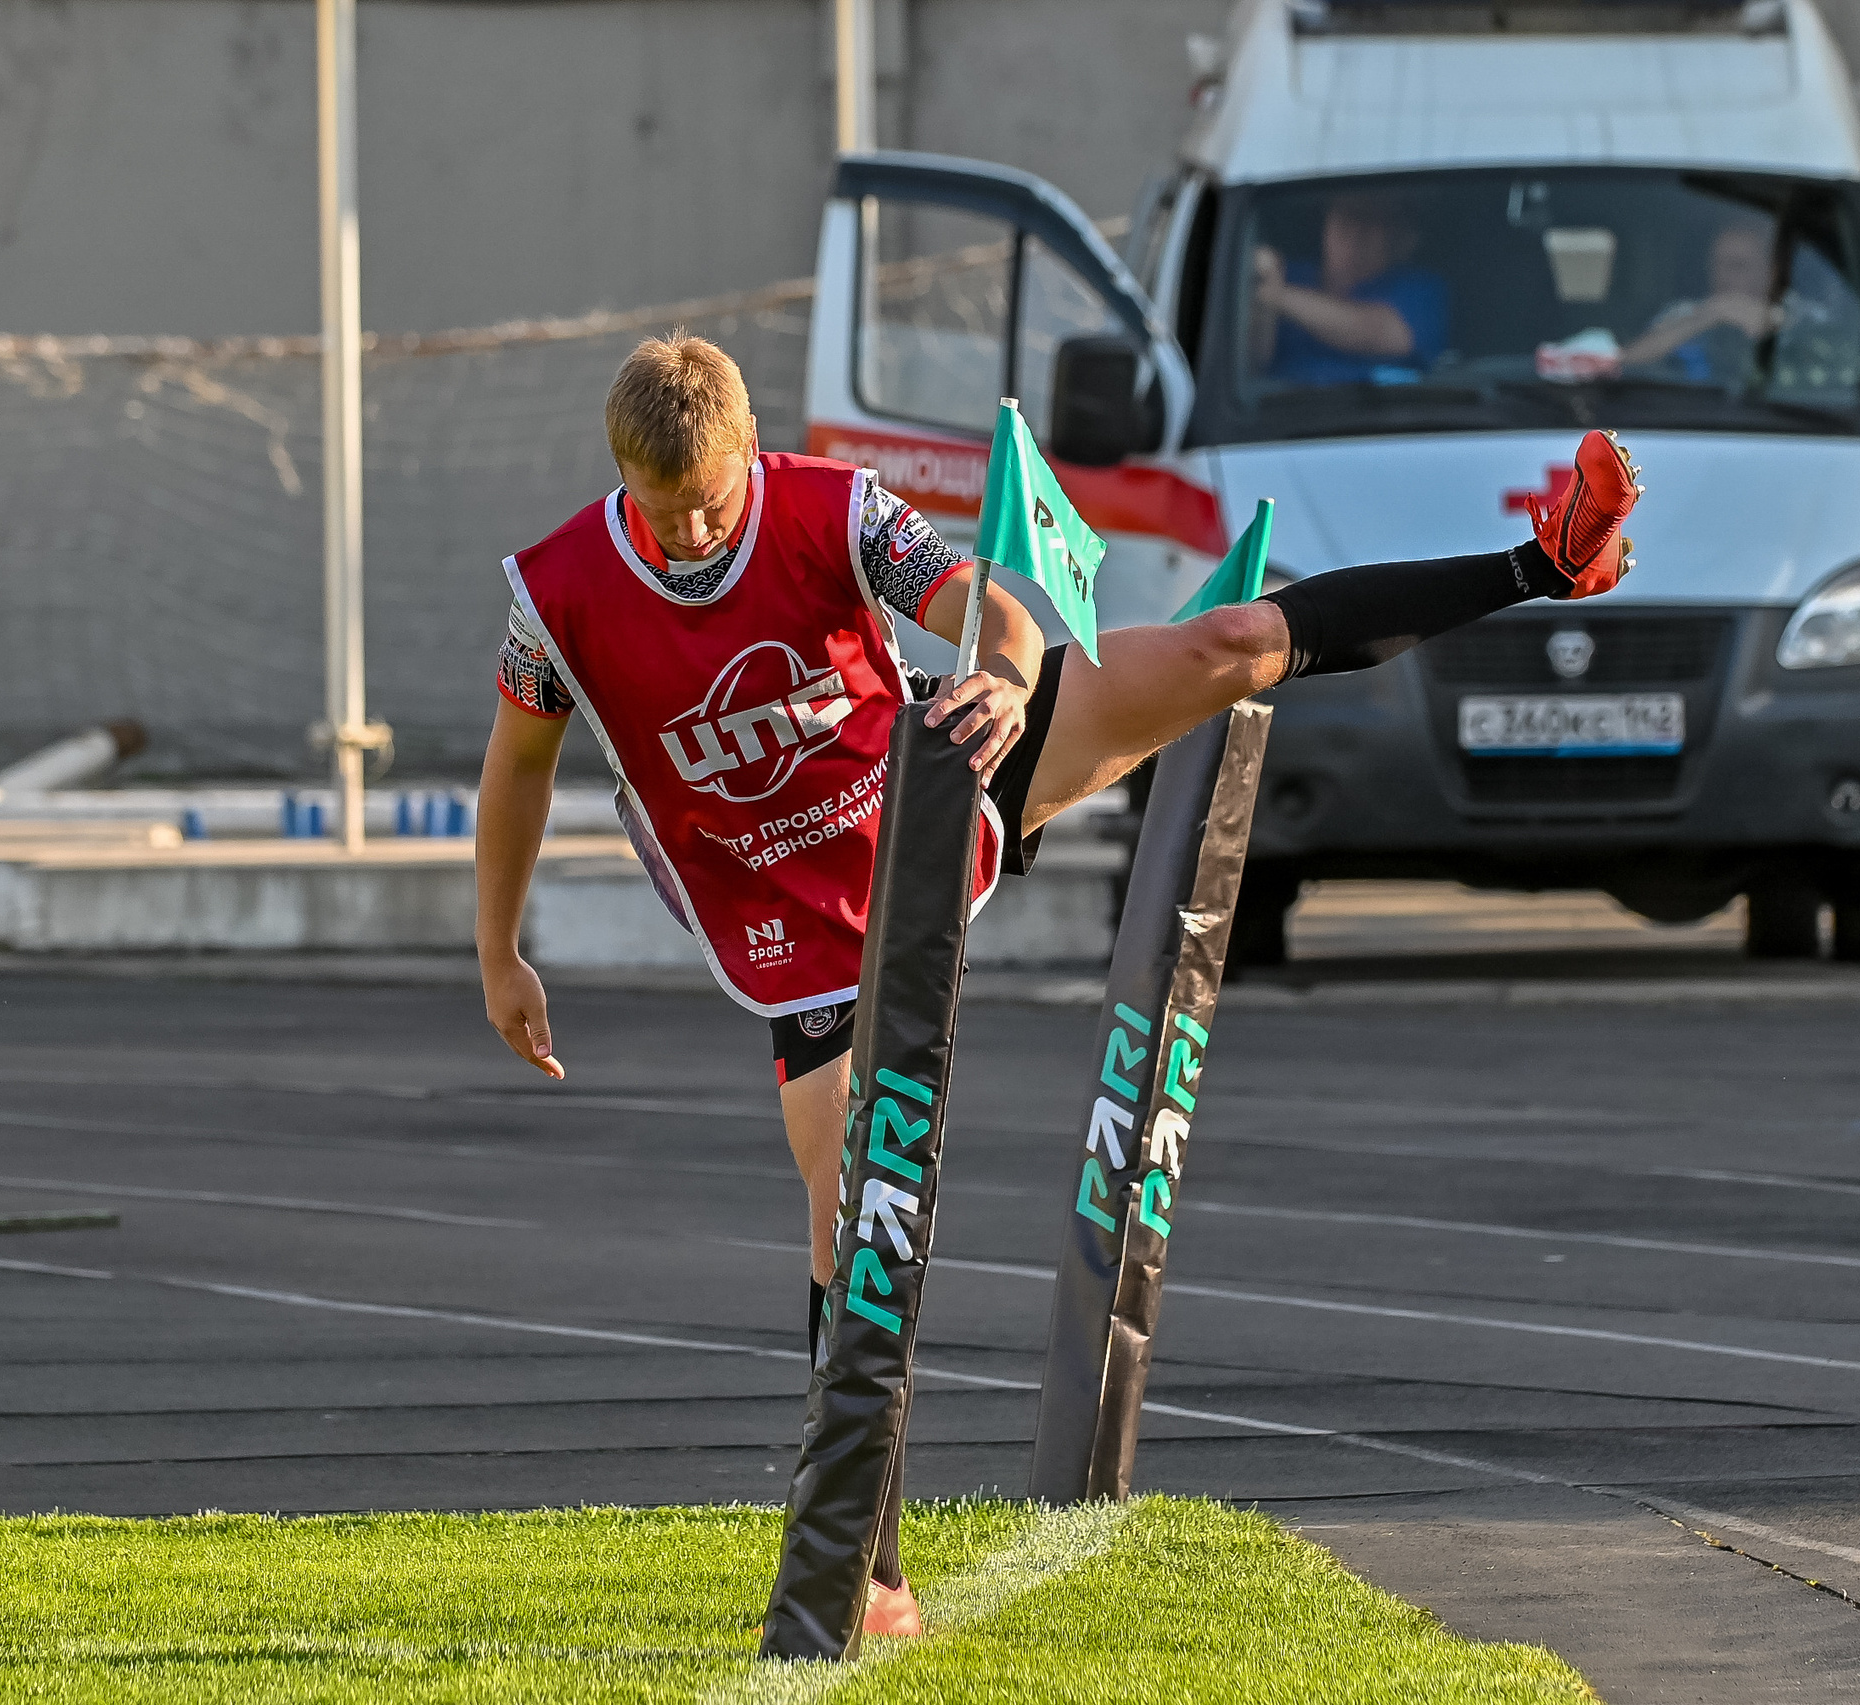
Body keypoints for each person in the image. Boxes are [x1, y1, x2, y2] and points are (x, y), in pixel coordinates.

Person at [474, 335, 1640, 1636]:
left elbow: (990, 600)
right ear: (619, 473)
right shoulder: (554, 597)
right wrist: (498, 952)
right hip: (799, 913)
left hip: (940, 765)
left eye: (710, 501)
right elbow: (517, 767)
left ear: (751, 450)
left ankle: (1547, 563)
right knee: (848, 1207)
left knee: (1228, 643)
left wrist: (1003, 671)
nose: (691, 533)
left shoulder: (834, 507)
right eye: (662, 507)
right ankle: (874, 1570)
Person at [1251, 191, 1450, 384]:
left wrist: (1278, 296)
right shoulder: (1286, 275)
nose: (1355, 230)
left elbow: (1383, 335)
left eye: (1368, 218)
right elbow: (1251, 361)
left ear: (1397, 237)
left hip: (1378, 405)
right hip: (1280, 404)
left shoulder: (1422, 289)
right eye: (1345, 215)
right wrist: (1258, 280)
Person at [1619, 219, 1784, 382]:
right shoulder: (1685, 312)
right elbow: (1625, 363)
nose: (1723, 276)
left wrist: (1773, 324)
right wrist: (1705, 317)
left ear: (1769, 273)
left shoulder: (1792, 316)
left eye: (1737, 265)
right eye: (1717, 264)